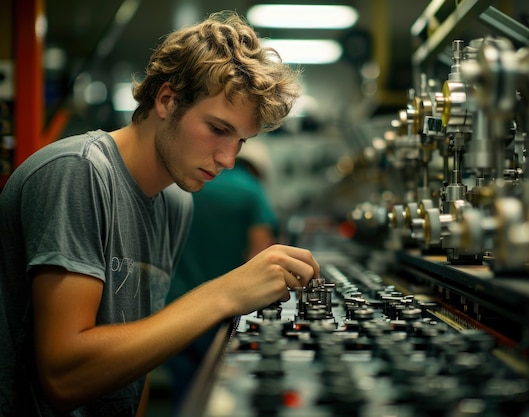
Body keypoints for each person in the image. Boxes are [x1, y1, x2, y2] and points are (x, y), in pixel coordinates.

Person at [0, 10, 320, 417]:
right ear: (167, 99)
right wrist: (224, 294)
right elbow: (64, 377)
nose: (227, 159)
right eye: (218, 129)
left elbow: (138, 360)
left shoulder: (175, 200)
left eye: (240, 141)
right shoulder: (78, 172)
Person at [164, 141, 279, 411]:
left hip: (174, 309)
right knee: (223, 397)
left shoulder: (183, 185)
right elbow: (260, 255)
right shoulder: (251, 190)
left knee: (185, 393)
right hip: (224, 313)